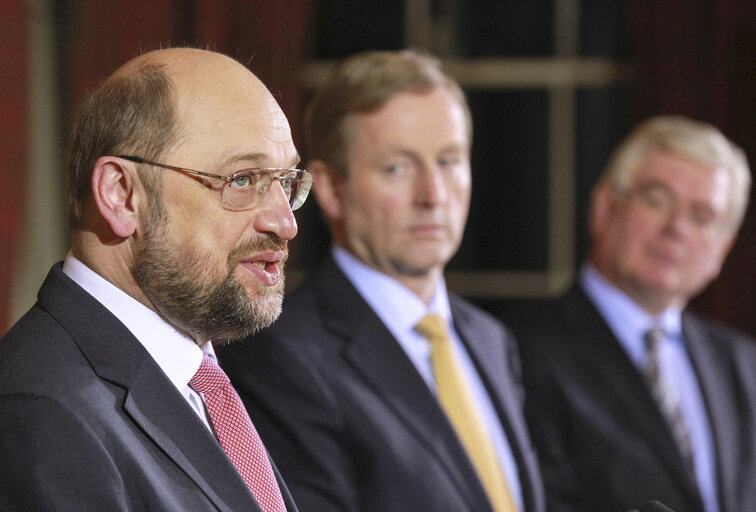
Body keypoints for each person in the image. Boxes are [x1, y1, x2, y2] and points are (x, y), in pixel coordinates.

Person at [217, 50, 545, 512]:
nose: (433, 195)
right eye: (398, 168)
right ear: (331, 189)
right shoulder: (280, 356)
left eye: (449, 162)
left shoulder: (491, 340)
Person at [0, 47, 313, 511]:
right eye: (243, 180)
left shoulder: (198, 380)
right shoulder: (44, 413)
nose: (285, 224)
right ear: (121, 194)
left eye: (285, 181)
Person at [501, 116, 756, 512]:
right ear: (605, 207)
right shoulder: (516, 352)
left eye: (701, 217)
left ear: (723, 249)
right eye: (657, 200)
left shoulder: (743, 364)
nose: (676, 229)